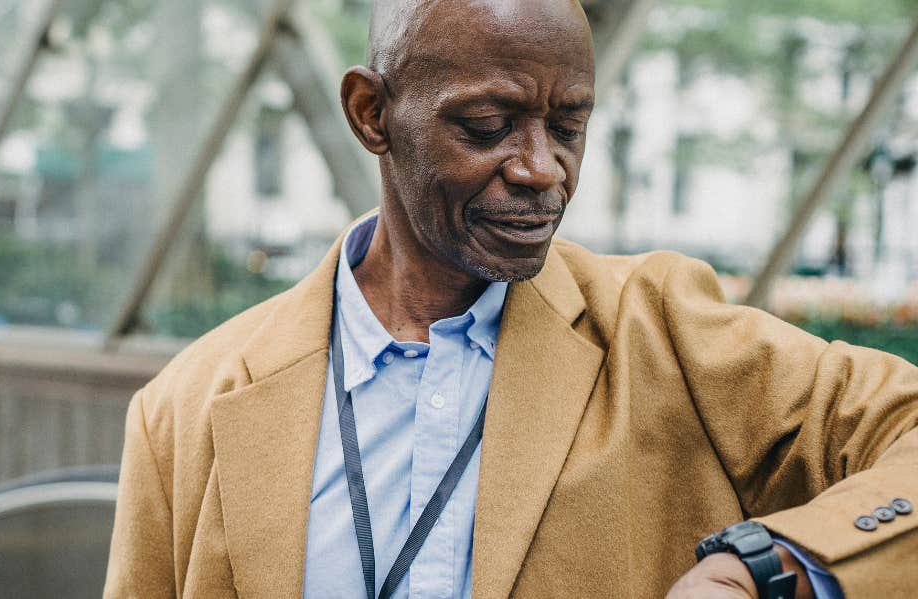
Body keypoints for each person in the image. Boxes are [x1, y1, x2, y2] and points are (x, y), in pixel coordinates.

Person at [102, 1, 918, 597]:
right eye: (489, 124)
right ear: (371, 113)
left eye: (568, 126)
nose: (543, 170)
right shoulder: (185, 411)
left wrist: (766, 567)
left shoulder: (666, 329)